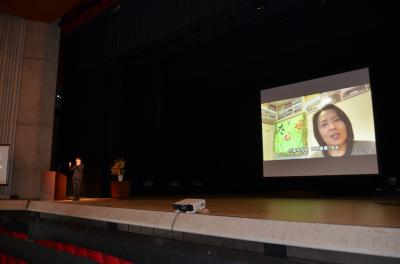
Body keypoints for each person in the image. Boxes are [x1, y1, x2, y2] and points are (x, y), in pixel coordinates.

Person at [310, 104, 376, 158]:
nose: (332, 127)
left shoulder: (371, 148)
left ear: (346, 123)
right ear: (318, 133)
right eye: (324, 124)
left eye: (336, 119)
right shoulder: (314, 158)